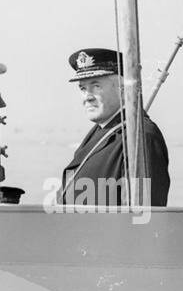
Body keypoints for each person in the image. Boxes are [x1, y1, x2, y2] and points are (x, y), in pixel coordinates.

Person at [56, 48, 170, 208]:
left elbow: (144, 218)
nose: (87, 97)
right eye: (83, 88)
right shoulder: (99, 132)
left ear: (123, 89)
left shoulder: (141, 136)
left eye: (96, 86)